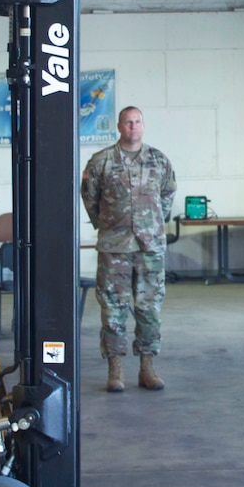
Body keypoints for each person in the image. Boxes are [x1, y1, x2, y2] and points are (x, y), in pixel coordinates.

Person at [81, 106, 177, 392]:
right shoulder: (101, 162)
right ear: (119, 127)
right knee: (113, 309)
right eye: (128, 122)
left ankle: (147, 368)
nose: (133, 127)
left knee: (150, 308)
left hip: (150, 248)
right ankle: (115, 370)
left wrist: (153, 223)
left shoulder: (159, 160)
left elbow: (168, 194)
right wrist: (108, 225)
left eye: (137, 122)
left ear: (143, 126)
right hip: (115, 247)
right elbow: (89, 197)